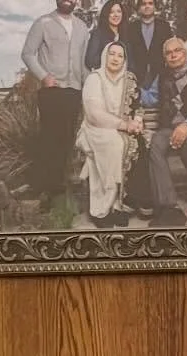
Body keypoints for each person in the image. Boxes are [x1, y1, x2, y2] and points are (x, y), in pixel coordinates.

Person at [22, 0, 91, 205]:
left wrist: (89, 83)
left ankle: (59, 187)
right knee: (50, 138)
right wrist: (43, 76)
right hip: (52, 90)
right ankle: (45, 189)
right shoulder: (43, 22)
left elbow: (84, 61)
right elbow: (27, 53)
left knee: (67, 138)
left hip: (74, 90)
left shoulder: (82, 27)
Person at [145, 35, 187, 217]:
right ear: (165, 57)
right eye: (168, 53)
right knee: (155, 145)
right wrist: (132, 90)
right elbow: (151, 97)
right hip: (169, 128)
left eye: (177, 51)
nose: (173, 55)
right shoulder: (161, 76)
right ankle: (167, 202)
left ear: (185, 53)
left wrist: (186, 125)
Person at [78, 42, 142, 227]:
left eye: (120, 55)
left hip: (120, 128)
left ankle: (117, 206)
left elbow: (138, 106)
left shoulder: (129, 79)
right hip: (96, 129)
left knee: (129, 144)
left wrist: (137, 121)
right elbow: (94, 115)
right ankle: (100, 210)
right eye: (111, 54)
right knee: (114, 144)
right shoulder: (94, 79)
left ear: (124, 60)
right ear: (104, 56)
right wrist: (124, 125)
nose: (115, 58)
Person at [125, 0, 174, 93]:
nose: (147, 6)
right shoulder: (131, 27)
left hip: (160, 75)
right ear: (139, 8)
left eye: (150, 3)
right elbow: (128, 52)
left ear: (155, 7)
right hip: (136, 75)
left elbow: (169, 50)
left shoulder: (164, 26)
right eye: (143, 4)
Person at [84, 0, 129, 71]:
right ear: (106, 14)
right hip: (103, 77)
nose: (116, 15)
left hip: (122, 77)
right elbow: (90, 60)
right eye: (111, 12)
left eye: (119, 11)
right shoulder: (97, 34)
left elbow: (131, 59)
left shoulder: (126, 34)